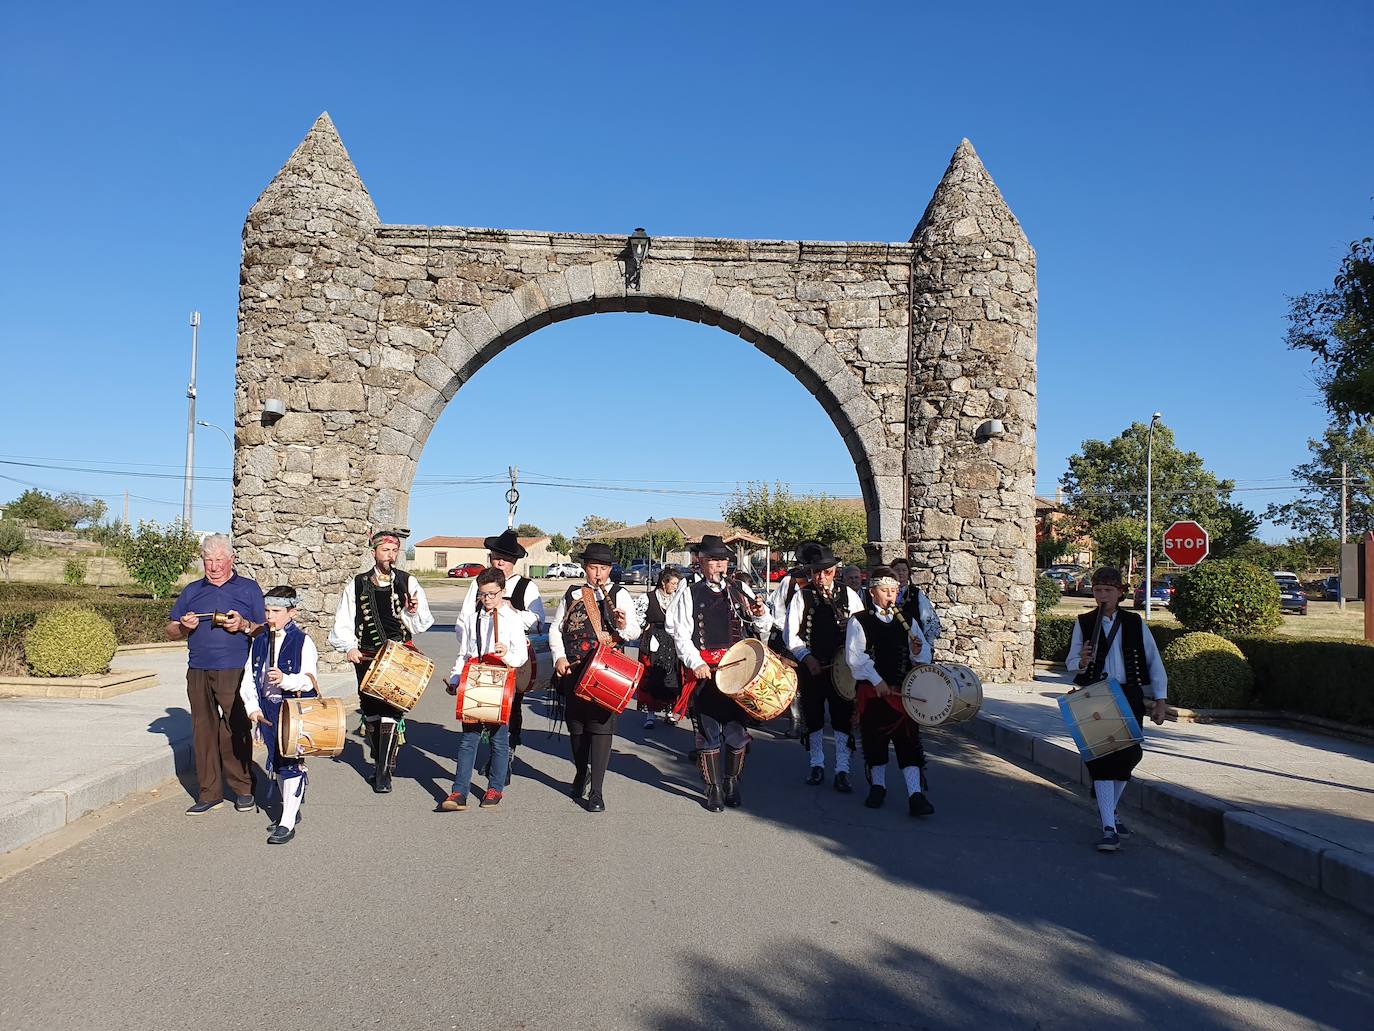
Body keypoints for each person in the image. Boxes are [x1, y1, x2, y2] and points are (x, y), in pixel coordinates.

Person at [1064, 566, 1168, 853]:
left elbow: (1153, 661)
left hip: (1128, 693)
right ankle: (1108, 826)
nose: (1102, 596)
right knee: (1101, 760)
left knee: (1130, 754)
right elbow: (1071, 661)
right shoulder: (1084, 622)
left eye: (1108, 590)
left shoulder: (1134, 623)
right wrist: (1081, 661)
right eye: (1098, 590)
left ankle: (1107, 809)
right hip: (1096, 694)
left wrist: (1160, 699)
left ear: (1120, 593)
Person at [666, 535, 773, 812]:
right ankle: (713, 788)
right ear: (701, 562)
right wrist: (694, 662)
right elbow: (679, 634)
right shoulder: (689, 592)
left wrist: (760, 613)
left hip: (738, 673)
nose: (719, 565)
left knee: (737, 734)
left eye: (722, 560)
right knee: (710, 733)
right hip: (706, 674)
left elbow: (763, 626)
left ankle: (731, 782)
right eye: (713, 560)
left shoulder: (739, 589)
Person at [328, 529, 434, 793]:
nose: (390, 555)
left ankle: (383, 772)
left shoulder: (408, 582)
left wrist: (411, 611)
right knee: (371, 710)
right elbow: (344, 619)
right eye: (385, 550)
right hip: (365, 654)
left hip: (398, 655)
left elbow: (420, 623)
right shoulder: (357, 583)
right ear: (374, 552)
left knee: (391, 708)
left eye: (395, 550)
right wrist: (349, 647)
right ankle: (381, 757)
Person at [166, 534, 266, 815]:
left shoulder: (248, 589)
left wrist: (243, 624)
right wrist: (184, 626)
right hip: (198, 669)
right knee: (203, 732)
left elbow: (263, 627)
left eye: (219, 560)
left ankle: (243, 788)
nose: (214, 566)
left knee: (235, 728)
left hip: (235, 668)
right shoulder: (192, 591)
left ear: (231, 559)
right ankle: (209, 793)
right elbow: (171, 630)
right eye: (209, 560)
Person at [549, 542, 642, 813]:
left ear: (610, 569)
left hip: (607, 672)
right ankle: (581, 772)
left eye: (602, 568)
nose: (598, 574)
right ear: (585, 568)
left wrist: (624, 626)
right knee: (577, 730)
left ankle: (597, 792)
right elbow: (556, 629)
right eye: (592, 568)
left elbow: (634, 631)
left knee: (601, 729)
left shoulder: (620, 594)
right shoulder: (572, 594)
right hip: (575, 670)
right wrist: (559, 657)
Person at [845, 567, 935, 817]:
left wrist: (918, 651)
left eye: (894, 591)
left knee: (909, 742)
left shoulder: (908, 620)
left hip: (902, 692)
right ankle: (878, 787)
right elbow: (855, 657)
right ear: (872, 591)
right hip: (873, 694)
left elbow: (922, 655)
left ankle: (916, 795)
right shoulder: (859, 620)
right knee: (875, 742)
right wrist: (876, 680)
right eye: (885, 591)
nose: (890, 596)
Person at [440, 567, 530, 811]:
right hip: (475, 680)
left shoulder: (513, 619)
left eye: (492, 594)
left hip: (500, 682)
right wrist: (456, 680)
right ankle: (459, 791)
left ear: (502, 591)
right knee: (468, 740)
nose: (488, 599)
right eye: (483, 594)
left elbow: (521, 656)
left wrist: (506, 653)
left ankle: (495, 788)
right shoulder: (473, 618)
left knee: (499, 739)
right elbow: (465, 654)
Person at [458, 529, 546, 773]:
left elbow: (539, 621)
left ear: (514, 562)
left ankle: (506, 753)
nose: (500, 562)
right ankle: (489, 754)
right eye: (496, 557)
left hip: (511, 657)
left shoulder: (527, 587)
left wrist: (513, 612)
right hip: (481, 655)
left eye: (505, 559)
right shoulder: (479, 585)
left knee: (510, 705)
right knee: (478, 706)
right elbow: (464, 618)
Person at [240, 586, 320, 843]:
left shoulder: (303, 641)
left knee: (291, 762)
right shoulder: (260, 639)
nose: (269, 616)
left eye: (276, 611)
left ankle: (287, 823)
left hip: (293, 711)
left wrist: (286, 680)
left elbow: (309, 681)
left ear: (292, 612)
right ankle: (290, 810)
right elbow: (249, 678)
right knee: (276, 760)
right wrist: (252, 707)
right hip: (267, 709)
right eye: (267, 610)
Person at [785, 544, 865, 791]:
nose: (821, 578)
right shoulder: (802, 595)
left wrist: (850, 626)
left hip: (842, 668)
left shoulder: (848, 595)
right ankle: (817, 764)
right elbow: (791, 634)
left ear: (835, 571)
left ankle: (843, 769)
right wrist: (806, 657)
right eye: (816, 572)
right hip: (813, 667)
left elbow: (863, 631)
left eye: (827, 572)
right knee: (814, 717)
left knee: (842, 719)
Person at [637, 567, 684, 729]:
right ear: (664, 583)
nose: (675, 587)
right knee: (651, 676)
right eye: (673, 583)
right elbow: (637, 617)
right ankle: (650, 715)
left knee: (672, 675)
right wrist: (646, 627)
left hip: (672, 641)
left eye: (677, 584)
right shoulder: (647, 597)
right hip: (653, 641)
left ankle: (669, 712)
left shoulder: (678, 599)